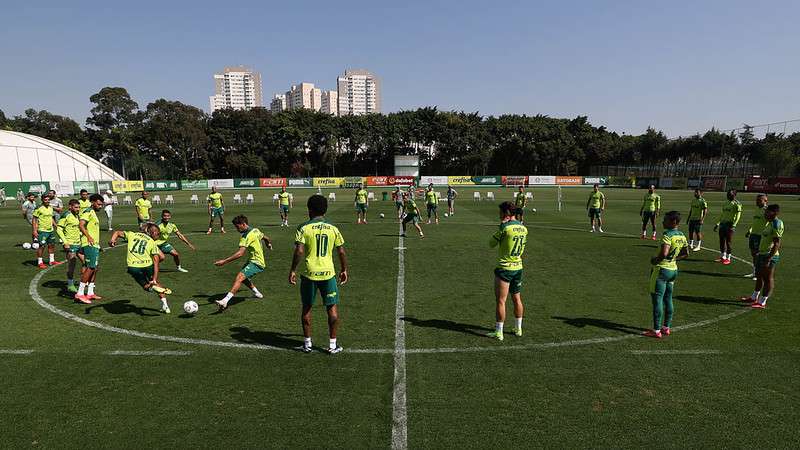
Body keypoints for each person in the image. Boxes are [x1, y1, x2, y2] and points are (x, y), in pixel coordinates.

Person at [289, 194, 348, 354]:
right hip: (328, 273)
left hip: (309, 274)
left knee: (307, 308)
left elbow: (299, 250)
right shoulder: (333, 228)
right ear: (325, 210)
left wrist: (293, 270)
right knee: (331, 307)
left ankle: (307, 344)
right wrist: (344, 269)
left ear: (310, 210)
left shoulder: (303, 227)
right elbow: (341, 251)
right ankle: (333, 345)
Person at [486, 201, 528, 341]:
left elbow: (491, 244)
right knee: (517, 298)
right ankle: (518, 329)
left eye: (500, 212)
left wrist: (501, 226)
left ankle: (499, 332)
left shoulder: (505, 228)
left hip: (505, 268)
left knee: (501, 301)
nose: (499, 215)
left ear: (506, 213)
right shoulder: (523, 228)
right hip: (518, 267)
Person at [643, 211, 689, 338]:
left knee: (657, 299)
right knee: (668, 298)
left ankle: (656, 330)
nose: (663, 222)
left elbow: (664, 253)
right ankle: (666, 327)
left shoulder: (667, 235)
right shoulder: (681, 235)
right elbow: (686, 254)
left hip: (662, 270)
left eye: (666, 220)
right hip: (673, 270)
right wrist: (673, 259)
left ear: (674, 222)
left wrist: (655, 260)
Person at [109, 223, 173, 314]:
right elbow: (160, 258)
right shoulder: (151, 242)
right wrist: (154, 278)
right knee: (156, 283)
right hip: (148, 266)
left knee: (145, 286)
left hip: (133, 267)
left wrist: (112, 240)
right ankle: (165, 306)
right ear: (153, 232)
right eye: (158, 234)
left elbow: (117, 232)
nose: (158, 236)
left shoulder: (132, 235)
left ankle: (152, 288)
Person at [214, 215, 272, 311]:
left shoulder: (246, 236)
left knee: (239, 277)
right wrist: (268, 244)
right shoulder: (255, 230)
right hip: (252, 260)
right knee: (244, 279)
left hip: (257, 262)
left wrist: (224, 261)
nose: (237, 229)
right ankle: (257, 293)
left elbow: (240, 253)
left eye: (237, 227)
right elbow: (265, 237)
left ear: (244, 224)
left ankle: (225, 301)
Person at [742, 204, 783, 309]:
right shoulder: (769, 223)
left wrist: (769, 258)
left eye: (767, 212)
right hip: (762, 254)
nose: (765, 213)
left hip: (769, 256)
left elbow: (777, 243)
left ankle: (762, 301)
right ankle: (754, 297)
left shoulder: (776, 224)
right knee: (759, 275)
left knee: (768, 278)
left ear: (774, 213)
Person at [75, 194, 104, 304]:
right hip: (88, 243)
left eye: (101, 205)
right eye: (98, 204)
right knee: (90, 267)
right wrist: (89, 237)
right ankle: (80, 293)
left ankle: (90, 292)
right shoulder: (88, 211)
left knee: (95, 268)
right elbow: (81, 225)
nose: (100, 206)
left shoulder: (93, 213)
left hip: (94, 244)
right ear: (92, 202)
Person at [56, 199, 83, 293]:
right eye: (76, 207)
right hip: (70, 244)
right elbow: (59, 229)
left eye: (79, 207)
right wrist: (65, 242)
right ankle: (70, 284)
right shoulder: (66, 215)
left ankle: (84, 282)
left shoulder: (77, 215)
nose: (78, 209)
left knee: (87, 263)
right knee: (72, 264)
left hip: (79, 243)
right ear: (70, 207)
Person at [31, 194, 62, 269]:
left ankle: (51, 260)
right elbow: (34, 219)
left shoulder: (50, 207)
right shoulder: (38, 208)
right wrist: (34, 230)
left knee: (51, 245)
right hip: (42, 231)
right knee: (42, 246)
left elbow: (51, 218)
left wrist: (56, 226)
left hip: (50, 230)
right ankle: (40, 262)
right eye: (45, 200)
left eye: (48, 200)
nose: (47, 201)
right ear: (42, 200)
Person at [713, 189, 742, 265]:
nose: (728, 195)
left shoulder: (737, 204)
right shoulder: (726, 203)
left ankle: (728, 258)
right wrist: (718, 223)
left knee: (728, 242)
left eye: (730, 194)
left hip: (730, 225)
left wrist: (734, 225)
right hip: (723, 224)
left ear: (734, 195)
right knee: (721, 241)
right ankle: (723, 257)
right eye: (727, 194)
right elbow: (722, 214)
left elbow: (738, 216)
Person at [743, 194, 768, 279]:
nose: (756, 202)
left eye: (759, 200)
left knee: (758, 255)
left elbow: (770, 224)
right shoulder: (757, 209)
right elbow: (755, 222)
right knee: (753, 254)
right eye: (756, 200)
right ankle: (754, 272)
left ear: (765, 201)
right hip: (753, 234)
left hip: (760, 236)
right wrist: (750, 231)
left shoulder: (767, 210)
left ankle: (758, 274)